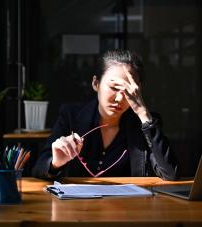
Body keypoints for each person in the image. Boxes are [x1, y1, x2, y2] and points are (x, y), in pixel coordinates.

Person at [32, 50, 177, 180]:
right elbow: (39, 169)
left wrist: (143, 113)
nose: (120, 98)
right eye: (114, 88)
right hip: (77, 208)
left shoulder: (145, 123)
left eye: (128, 91)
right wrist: (56, 164)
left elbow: (169, 173)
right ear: (96, 83)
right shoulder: (70, 115)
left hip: (129, 207)